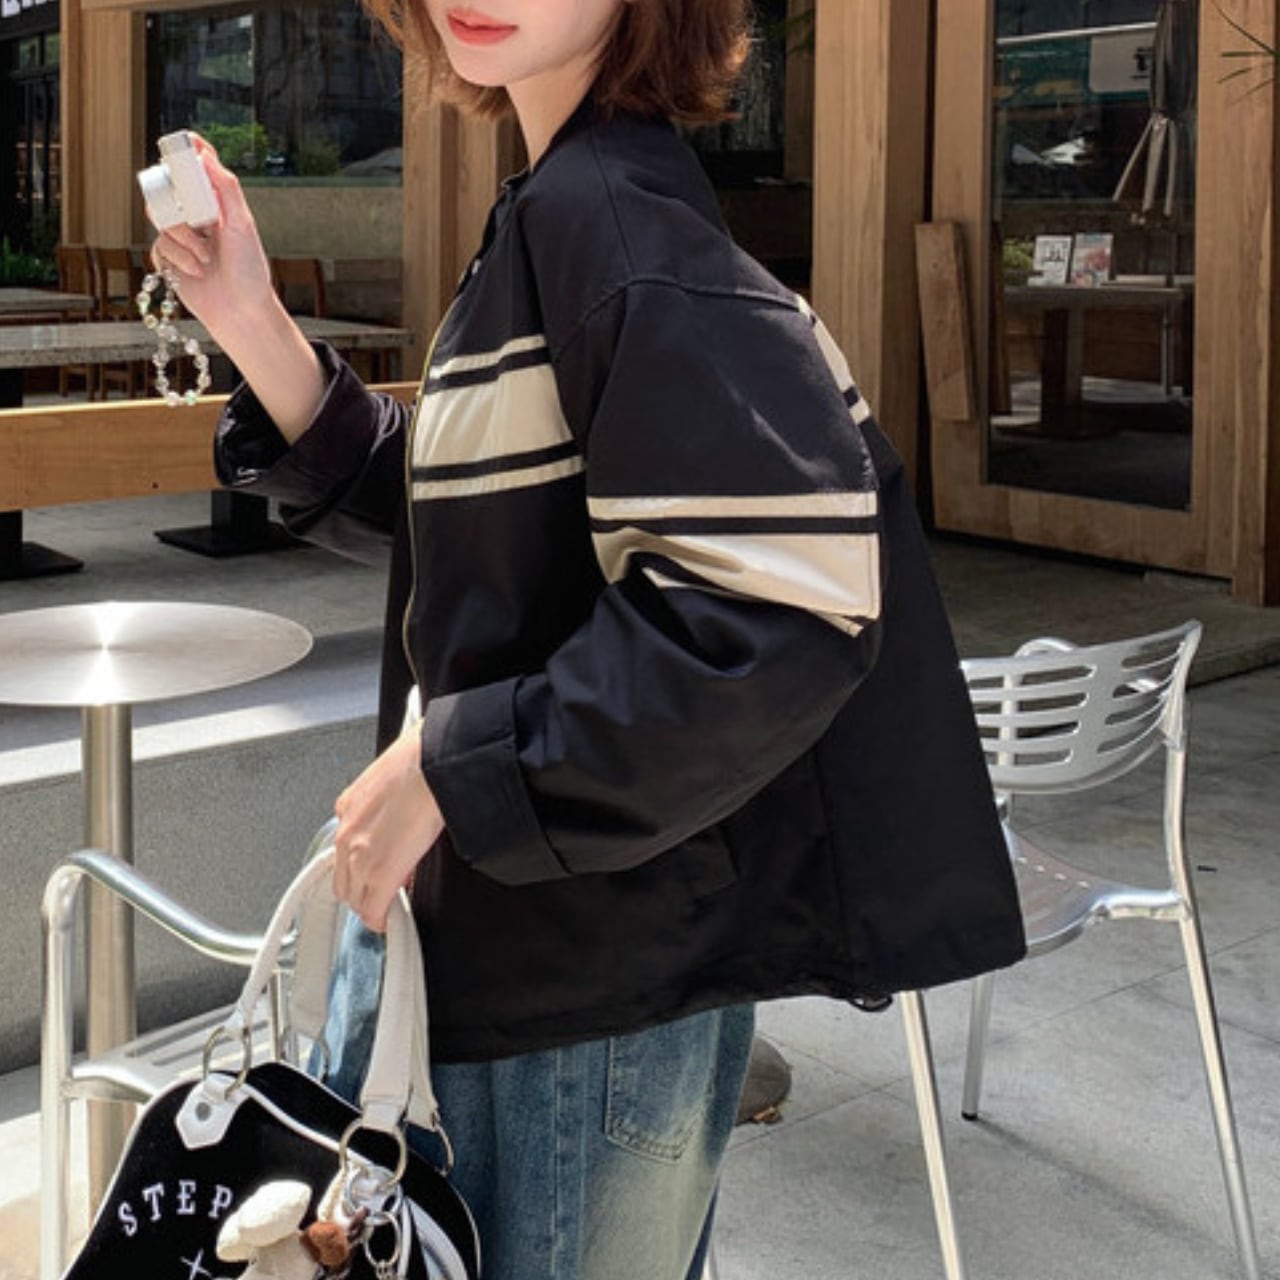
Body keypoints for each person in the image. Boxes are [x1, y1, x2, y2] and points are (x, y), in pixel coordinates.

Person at [149, 1, 1026, 1276]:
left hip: (574, 994)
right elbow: (478, 525)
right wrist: (250, 318)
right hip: (545, 961)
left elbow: (776, 607)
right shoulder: (566, 206)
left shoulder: (611, 221)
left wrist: (450, 765)